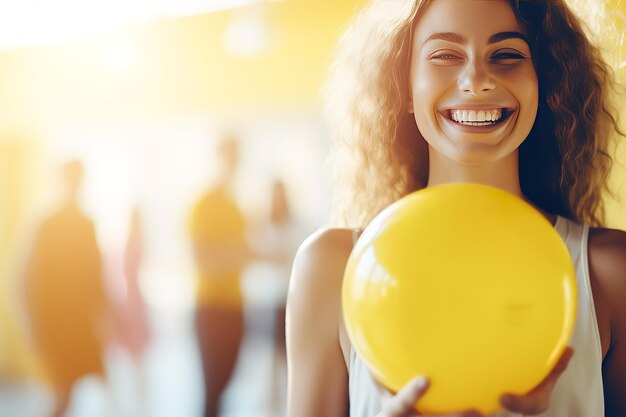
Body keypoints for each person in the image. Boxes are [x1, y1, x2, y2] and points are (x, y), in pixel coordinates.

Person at [286, 1, 626, 416]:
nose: (477, 80)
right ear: (405, 88)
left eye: (507, 55)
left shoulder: (610, 272)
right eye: (446, 55)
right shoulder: (330, 269)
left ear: (546, 83)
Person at [24, 160, 110, 417]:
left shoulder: (87, 224)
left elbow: (96, 277)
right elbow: (31, 279)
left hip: (79, 322)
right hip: (53, 323)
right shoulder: (47, 225)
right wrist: (33, 325)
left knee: (70, 394)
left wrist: (106, 317)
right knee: (61, 394)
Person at [189, 135, 251, 417]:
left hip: (235, 305)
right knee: (212, 388)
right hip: (210, 307)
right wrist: (235, 255)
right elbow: (200, 256)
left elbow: (246, 252)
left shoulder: (236, 207)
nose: (234, 163)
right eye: (230, 156)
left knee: (225, 383)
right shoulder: (203, 204)